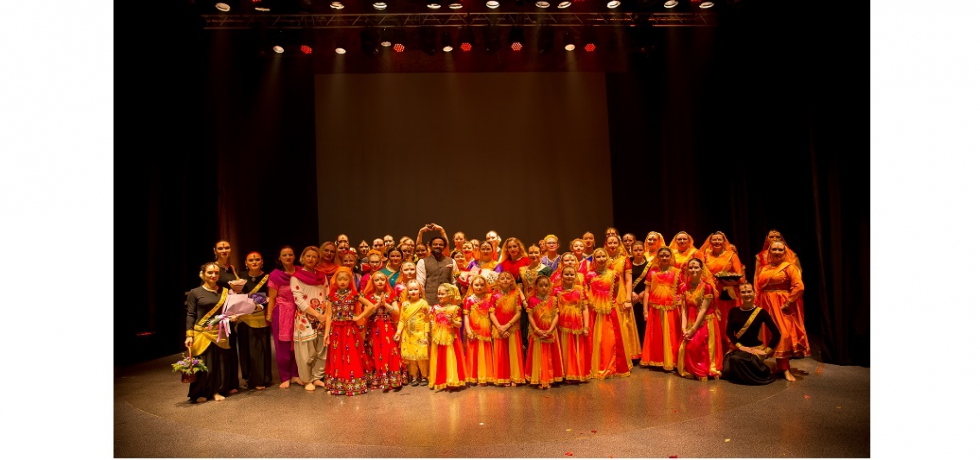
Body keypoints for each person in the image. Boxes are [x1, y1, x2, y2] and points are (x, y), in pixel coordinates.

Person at [185, 262, 240, 403]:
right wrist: (189, 335)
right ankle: (201, 392)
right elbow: (191, 314)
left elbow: (230, 310)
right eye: (210, 272)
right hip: (201, 333)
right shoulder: (195, 292)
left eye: (216, 273)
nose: (213, 275)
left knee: (219, 363)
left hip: (219, 332)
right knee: (203, 364)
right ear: (203, 274)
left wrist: (233, 315)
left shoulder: (225, 291)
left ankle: (217, 391)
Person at [755, 241, 809, 381]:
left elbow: (799, 287)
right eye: (774, 249)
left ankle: (785, 369)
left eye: (780, 250)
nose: (777, 252)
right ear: (769, 252)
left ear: (784, 252)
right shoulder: (764, 268)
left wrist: (788, 302)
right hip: (765, 305)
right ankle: (776, 367)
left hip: (782, 305)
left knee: (783, 336)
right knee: (767, 336)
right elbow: (759, 287)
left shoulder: (789, 267)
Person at [323, 267, 377, 396]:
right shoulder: (332, 296)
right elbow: (329, 315)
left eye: (345, 279)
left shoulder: (354, 294)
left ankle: (353, 381)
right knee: (338, 354)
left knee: (351, 353)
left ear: (349, 281)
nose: (342, 282)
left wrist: (358, 317)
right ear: (335, 281)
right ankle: (339, 383)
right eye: (340, 279)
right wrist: (326, 333)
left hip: (349, 329)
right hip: (336, 329)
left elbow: (370, 305)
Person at [723, 282, 782, 385]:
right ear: (739, 294)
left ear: (754, 293)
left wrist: (767, 351)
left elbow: (777, 334)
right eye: (743, 292)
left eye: (749, 291)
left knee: (736, 360)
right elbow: (729, 332)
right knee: (727, 367)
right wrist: (740, 347)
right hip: (739, 349)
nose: (747, 294)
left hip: (755, 349)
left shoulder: (761, 312)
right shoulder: (733, 311)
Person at [584, 248, 631, 379]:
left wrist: (607, 302)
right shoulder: (589, 275)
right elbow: (587, 291)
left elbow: (614, 291)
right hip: (594, 311)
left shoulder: (614, 274)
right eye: (598, 257)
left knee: (610, 339)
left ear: (607, 258)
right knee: (596, 340)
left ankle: (612, 365)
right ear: (594, 259)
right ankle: (595, 366)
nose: (601, 259)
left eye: (603, 256)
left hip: (610, 309)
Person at [676, 258, 723, 381]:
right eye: (691, 267)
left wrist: (693, 330)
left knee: (699, 346)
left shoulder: (707, 287)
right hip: (690, 320)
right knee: (687, 348)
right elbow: (684, 309)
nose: (693, 270)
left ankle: (707, 369)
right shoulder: (683, 287)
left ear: (701, 269)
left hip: (705, 321)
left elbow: (703, 310)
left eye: (696, 267)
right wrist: (684, 328)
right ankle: (694, 369)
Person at [290, 246, 329, 391]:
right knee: (306, 353)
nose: (311, 259)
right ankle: (307, 380)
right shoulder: (296, 277)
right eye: (308, 256)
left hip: (323, 316)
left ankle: (317, 377)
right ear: (302, 258)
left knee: (322, 349)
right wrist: (317, 315)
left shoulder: (322, 276)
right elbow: (299, 300)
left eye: (314, 257)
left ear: (318, 259)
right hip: (305, 318)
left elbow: (327, 295)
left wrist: (325, 315)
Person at [700, 231, 745, 351]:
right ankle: (714, 348)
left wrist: (733, 282)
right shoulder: (705, 255)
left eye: (720, 239)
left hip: (727, 293)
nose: (717, 242)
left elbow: (740, 275)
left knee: (727, 320)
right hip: (710, 292)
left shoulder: (731, 255)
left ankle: (730, 348)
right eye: (714, 239)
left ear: (724, 242)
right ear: (710, 242)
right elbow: (701, 273)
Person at [640, 247, 682, 371]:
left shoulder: (677, 272)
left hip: (672, 308)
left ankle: (672, 360)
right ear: (657, 258)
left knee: (671, 334)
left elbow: (681, 290)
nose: (664, 258)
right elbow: (647, 292)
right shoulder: (652, 271)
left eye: (667, 255)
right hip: (655, 308)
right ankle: (656, 360)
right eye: (662, 256)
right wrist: (645, 310)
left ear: (671, 257)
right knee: (656, 335)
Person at [235, 251, 273, 390]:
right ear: (246, 263)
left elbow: (271, 297)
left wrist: (254, 300)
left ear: (262, 261)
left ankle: (261, 379)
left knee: (260, 350)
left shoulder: (268, 278)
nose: (254, 262)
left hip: (259, 318)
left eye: (257, 259)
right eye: (251, 260)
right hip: (244, 318)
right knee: (245, 350)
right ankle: (248, 378)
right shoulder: (240, 277)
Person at [265, 246, 302, 389]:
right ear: (279, 258)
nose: (288, 257)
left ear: (294, 256)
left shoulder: (300, 272)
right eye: (284, 255)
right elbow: (272, 297)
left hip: (299, 311)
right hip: (281, 312)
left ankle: (295, 374)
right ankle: (285, 376)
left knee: (297, 345)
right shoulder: (275, 275)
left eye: (290, 254)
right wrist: (269, 315)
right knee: (283, 347)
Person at [361, 271, 404, 391]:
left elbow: (397, 312)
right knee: (376, 351)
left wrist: (385, 305)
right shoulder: (368, 296)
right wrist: (377, 305)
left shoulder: (390, 294)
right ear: (372, 282)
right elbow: (366, 314)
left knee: (391, 350)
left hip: (388, 327)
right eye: (377, 280)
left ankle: (393, 378)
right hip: (374, 327)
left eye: (382, 279)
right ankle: (378, 378)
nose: (380, 282)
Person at [753, 229, 804, 323]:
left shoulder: (791, 257)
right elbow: (757, 278)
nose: (774, 239)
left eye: (777, 237)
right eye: (771, 236)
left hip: (784, 297)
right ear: (767, 239)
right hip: (765, 300)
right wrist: (756, 296)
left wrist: (789, 300)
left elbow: (798, 281)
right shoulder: (761, 259)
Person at [603, 235, 640, 363]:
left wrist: (628, 298)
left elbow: (629, 280)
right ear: (606, 244)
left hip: (622, 293)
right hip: (606, 293)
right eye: (610, 243)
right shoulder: (603, 258)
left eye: (615, 243)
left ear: (619, 244)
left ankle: (627, 354)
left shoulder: (625, 260)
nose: (612, 245)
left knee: (624, 322)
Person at [525, 275, 564, 389]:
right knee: (537, 354)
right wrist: (536, 329)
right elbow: (530, 316)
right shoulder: (531, 300)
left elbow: (556, 315)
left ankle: (550, 377)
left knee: (550, 355)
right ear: (535, 287)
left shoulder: (553, 299)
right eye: (541, 285)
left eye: (546, 285)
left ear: (550, 286)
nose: (544, 288)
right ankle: (538, 378)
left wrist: (551, 329)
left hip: (550, 331)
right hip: (536, 332)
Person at [554, 265, 591, 382]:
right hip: (561, 325)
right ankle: (564, 373)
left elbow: (585, 309)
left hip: (577, 325)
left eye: (572, 274)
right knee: (564, 349)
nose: (569, 277)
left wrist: (586, 326)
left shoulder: (580, 290)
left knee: (576, 349)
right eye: (566, 274)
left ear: (575, 276)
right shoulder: (556, 290)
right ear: (561, 276)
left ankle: (576, 373)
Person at [428, 283, 468, 391]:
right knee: (440, 359)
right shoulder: (435, 308)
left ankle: (452, 380)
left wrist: (452, 321)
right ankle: (441, 381)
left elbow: (459, 324)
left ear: (450, 295)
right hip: (438, 338)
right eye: (438, 294)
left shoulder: (455, 308)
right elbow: (431, 321)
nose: (439, 296)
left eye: (442, 294)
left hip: (451, 338)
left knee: (450, 358)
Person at [490, 272, 526, 386]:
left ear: (512, 281)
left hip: (512, 327)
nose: (505, 280)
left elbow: (519, 312)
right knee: (501, 353)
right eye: (502, 278)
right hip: (499, 328)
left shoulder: (515, 293)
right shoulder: (494, 295)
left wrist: (507, 326)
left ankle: (515, 377)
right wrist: (500, 327)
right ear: (498, 281)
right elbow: (491, 313)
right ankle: (503, 377)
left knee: (514, 353)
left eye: (508, 278)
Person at [394, 279, 431, 387]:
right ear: (407, 291)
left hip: (420, 334)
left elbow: (426, 320)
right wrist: (398, 332)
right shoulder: (405, 305)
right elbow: (402, 320)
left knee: (421, 357)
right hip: (408, 335)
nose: (413, 292)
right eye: (410, 290)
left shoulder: (423, 303)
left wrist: (426, 334)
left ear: (420, 291)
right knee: (411, 358)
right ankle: (414, 376)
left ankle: (424, 376)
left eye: (415, 289)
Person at [463, 275, 497, 385]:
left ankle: (486, 376)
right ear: (472, 286)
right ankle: (474, 377)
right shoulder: (468, 300)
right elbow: (466, 316)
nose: (479, 287)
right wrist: (468, 331)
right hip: (473, 329)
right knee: (473, 352)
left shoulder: (490, 297)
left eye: (482, 285)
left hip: (486, 329)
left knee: (486, 352)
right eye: (476, 285)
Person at [416, 234, 459, 306]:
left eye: (441, 244)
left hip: (447, 303)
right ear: (430, 246)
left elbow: (454, 282)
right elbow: (421, 283)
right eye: (435, 244)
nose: (438, 246)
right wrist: (423, 302)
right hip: (429, 302)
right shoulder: (422, 262)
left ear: (444, 247)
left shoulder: (451, 261)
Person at [628, 241, 652, 357]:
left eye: (640, 250)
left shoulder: (649, 265)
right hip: (631, 298)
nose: (638, 252)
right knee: (634, 325)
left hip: (645, 298)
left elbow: (653, 281)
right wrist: (631, 293)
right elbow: (625, 281)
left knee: (644, 326)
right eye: (635, 250)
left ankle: (645, 353)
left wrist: (644, 293)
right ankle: (635, 353)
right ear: (631, 251)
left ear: (644, 250)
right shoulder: (628, 264)